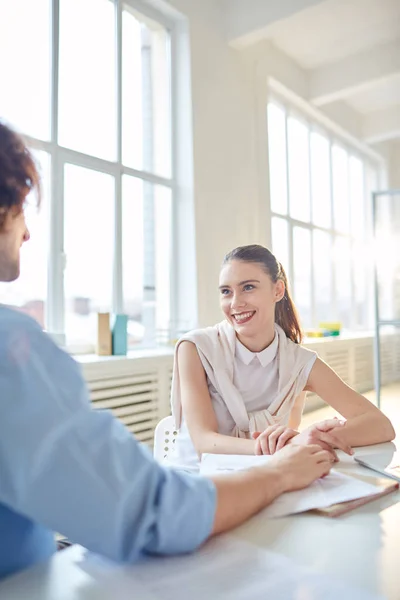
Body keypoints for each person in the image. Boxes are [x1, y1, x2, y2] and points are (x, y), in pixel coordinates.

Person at [0, 121, 334, 581]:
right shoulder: (13, 352)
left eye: (249, 288)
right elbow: (151, 511)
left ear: (278, 291)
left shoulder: (298, 358)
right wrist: (279, 471)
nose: (28, 233)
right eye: (19, 207)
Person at [171, 244, 395, 467]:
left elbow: (381, 426)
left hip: (265, 478)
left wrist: (311, 438)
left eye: (248, 287)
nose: (235, 303)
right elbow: (204, 442)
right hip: (196, 482)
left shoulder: (299, 363)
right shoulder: (196, 348)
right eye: (226, 291)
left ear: (278, 290)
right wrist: (294, 444)